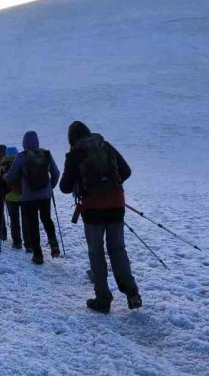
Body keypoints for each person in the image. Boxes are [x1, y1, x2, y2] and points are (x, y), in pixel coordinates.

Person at [59, 121, 141, 314]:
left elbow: (64, 187)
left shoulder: (74, 154)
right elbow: (126, 171)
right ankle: (132, 293)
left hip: (93, 207)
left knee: (96, 252)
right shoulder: (105, 145)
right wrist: (110, 185)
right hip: (116, 202)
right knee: (117, 249)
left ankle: (103, 298)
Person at [4, 131, 60, 264]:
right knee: (47, 218)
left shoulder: (21, 156)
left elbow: (12, 176)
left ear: (24, 143)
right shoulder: (46, 154)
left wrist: (4, 177)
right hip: (45, 195)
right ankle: (54, 243)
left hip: (29, 196)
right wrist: (49, 187)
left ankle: (38, 254)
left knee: (33, 224)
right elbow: (56, 173)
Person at [1, 147, 24, 250]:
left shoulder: (3, 165)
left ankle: (17, 242)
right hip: (24, 196)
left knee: (14, 220)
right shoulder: (22, 163)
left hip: (10, 196)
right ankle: (29, 244)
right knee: (26, 220)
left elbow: (0, 182)